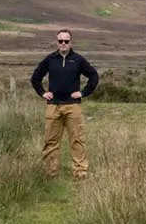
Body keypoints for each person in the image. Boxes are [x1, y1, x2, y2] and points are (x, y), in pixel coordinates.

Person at [31, 29, 99, 180]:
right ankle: (50, 173)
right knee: (51, 141)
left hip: (72, 106)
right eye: (60, 41)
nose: (63, 44)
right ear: (57, 42)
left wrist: (83, 92)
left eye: (66, 41)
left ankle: (80, 173)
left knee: (77, 140)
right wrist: (43, 92)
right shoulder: (50, 59)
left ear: (70, 42)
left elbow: (94, 76)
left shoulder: (78, 60)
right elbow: (35, 77)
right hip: (53, 106)